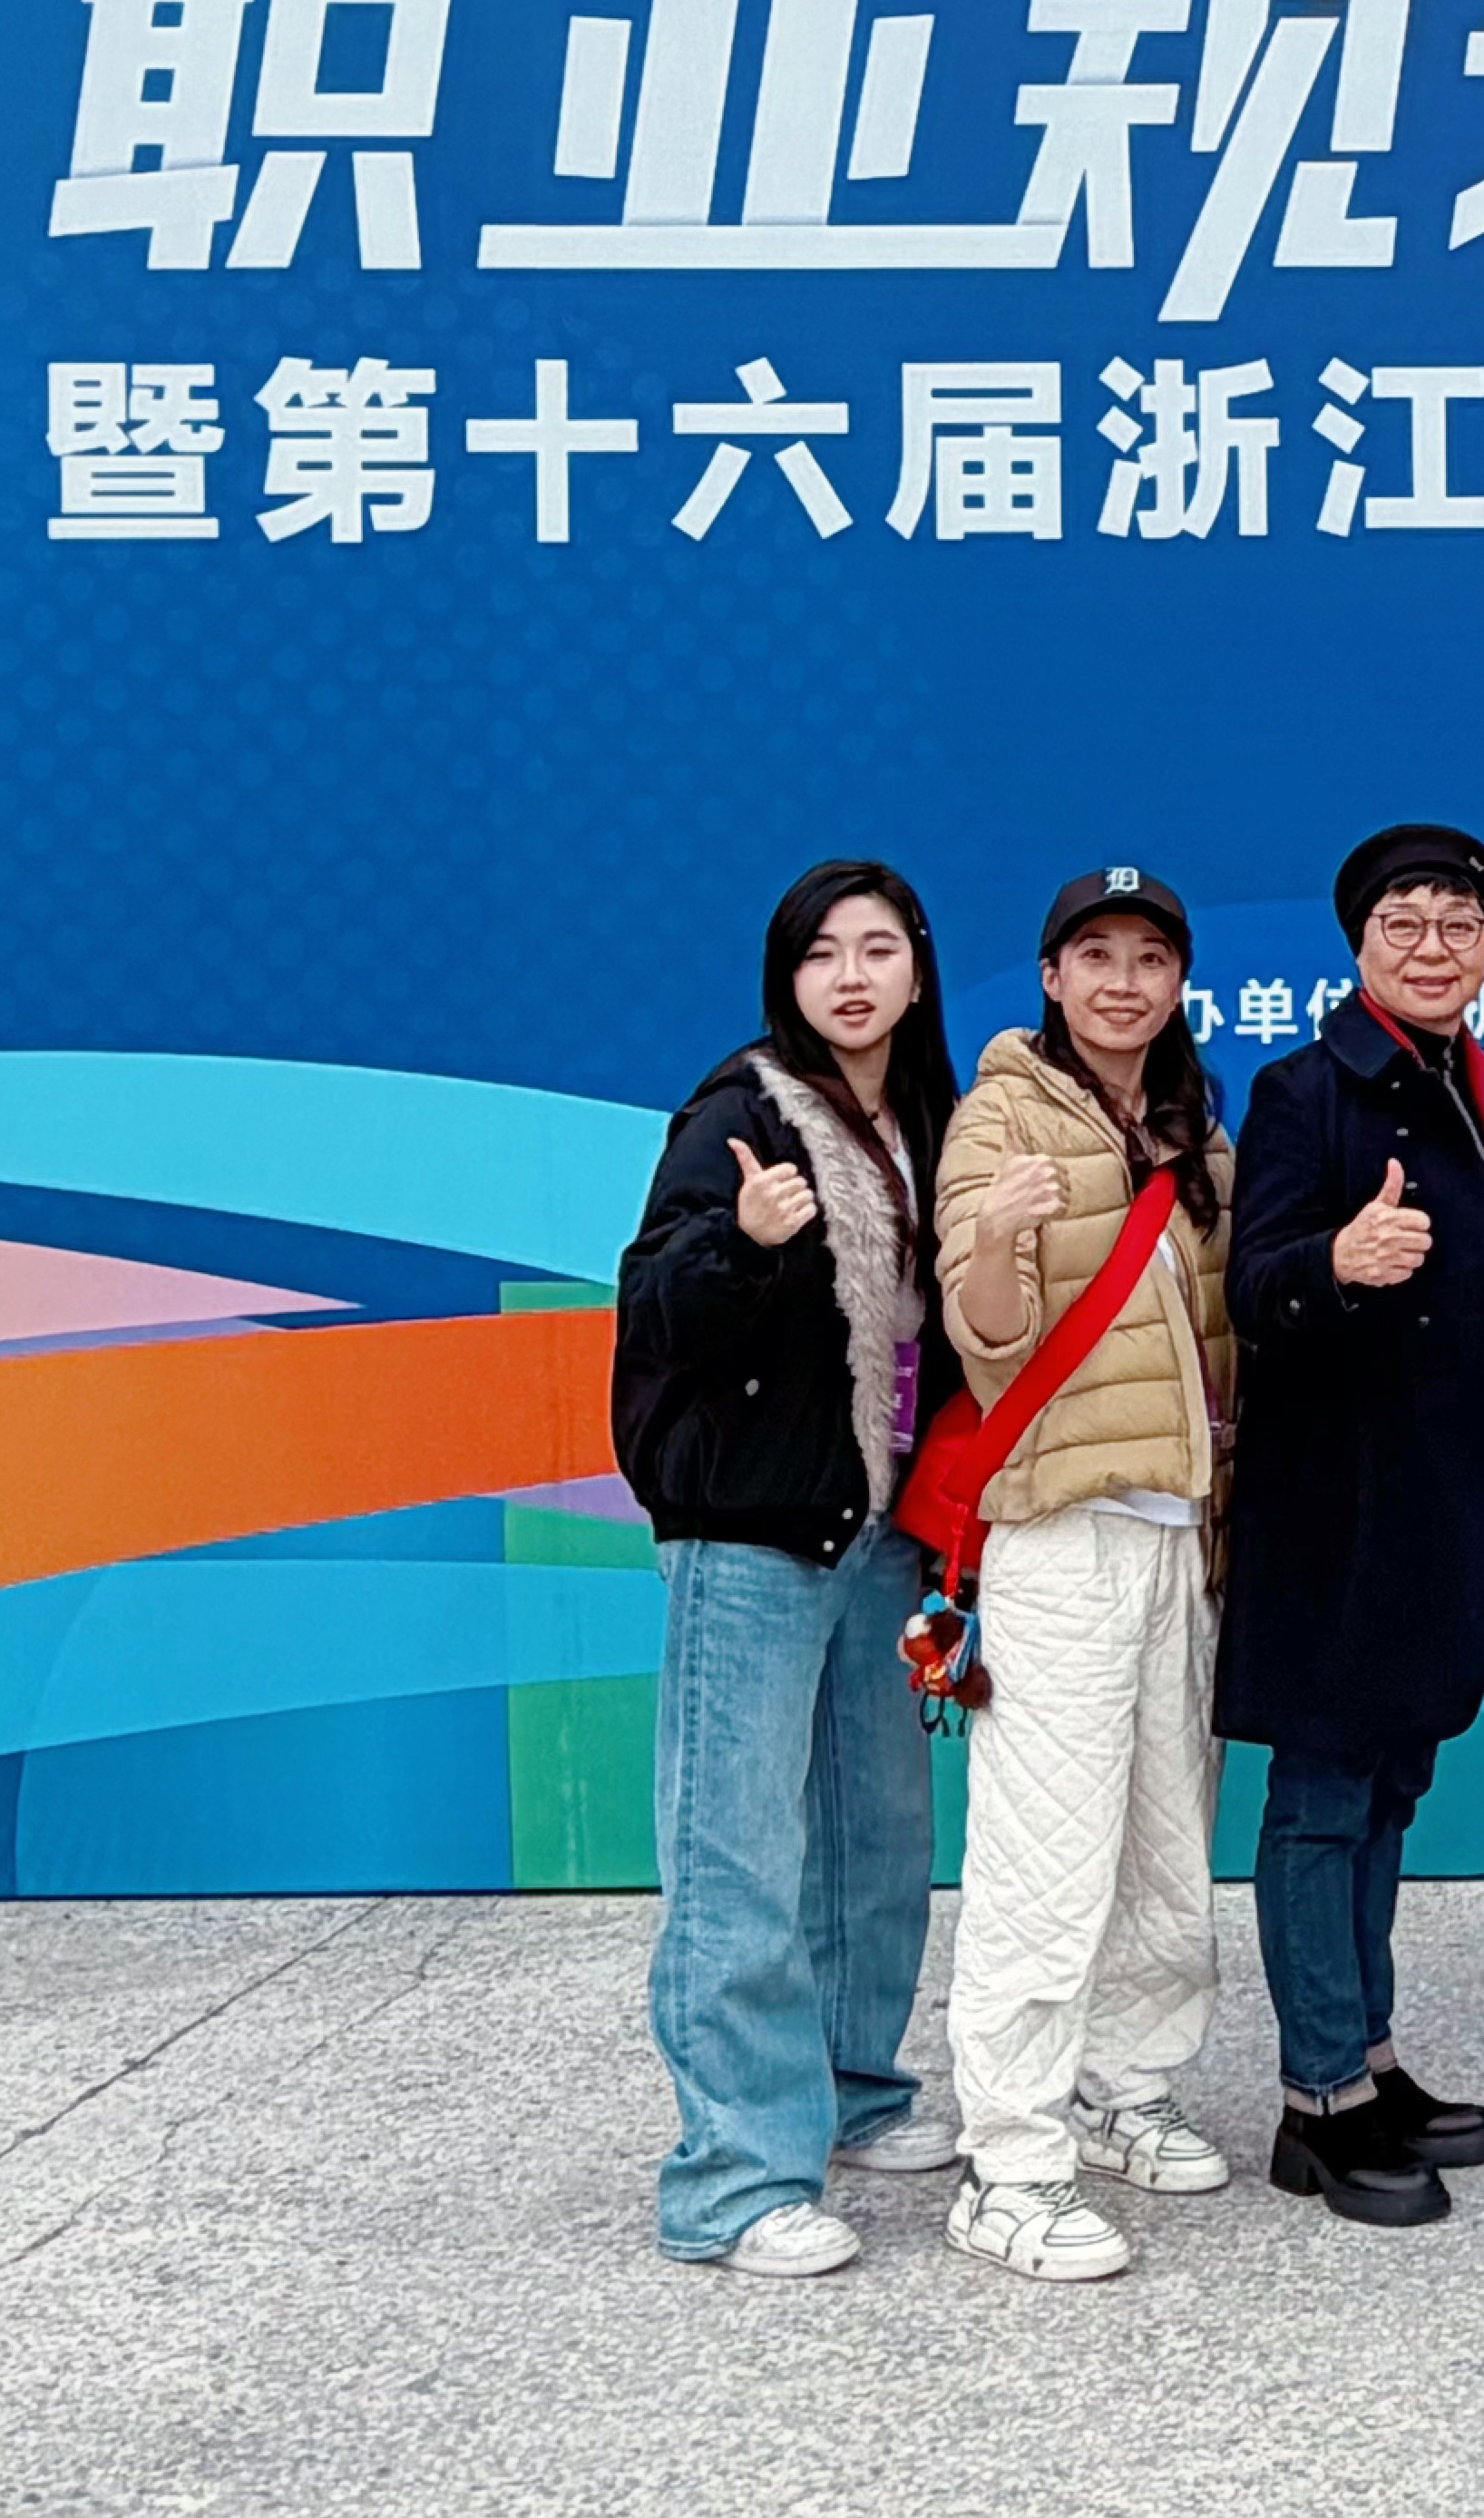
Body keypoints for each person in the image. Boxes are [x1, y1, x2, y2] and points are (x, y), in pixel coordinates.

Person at [612, 861, 965, 2277]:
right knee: (738, 1855)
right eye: (824, 953)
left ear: (918, 969)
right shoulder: (740, 1111)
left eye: (878, 948)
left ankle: (854, 2091)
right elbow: (656, 1300)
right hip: (755, 1528)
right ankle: (734, 2178)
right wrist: (747, 1245)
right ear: (789, 976)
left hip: (879, 1534)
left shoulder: (925, 1117)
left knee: (879, 1840)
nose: (852, 976)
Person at [1221, 825, 1484, 2227]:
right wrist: (1337, 1259)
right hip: (1338, 1514)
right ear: (1357, 943)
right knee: (1321, 1799)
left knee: (1390, 1788)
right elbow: (1252, 1287)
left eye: (1459, 924)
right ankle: (1315, 2104)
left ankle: (1363, 2055)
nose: (1433, 946)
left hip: (1449, 1501)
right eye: (1403, 923)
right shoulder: (1302, 1091)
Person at [932, 867, 1237, 2282]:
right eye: (1095, 955)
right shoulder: (998, 1114)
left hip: (1179, 1536)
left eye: (1150, 957)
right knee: (1044, 1860)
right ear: (1052, 976)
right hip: (1061, 1534)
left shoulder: (1192, 1126)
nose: (1124, 982)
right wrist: (1000, 1232)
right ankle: (1008, 2160)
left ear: (1178, 981)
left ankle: (1126, 2086)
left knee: (1166, 1846)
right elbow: (983, 1328)